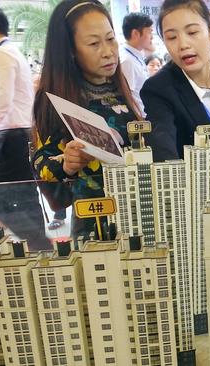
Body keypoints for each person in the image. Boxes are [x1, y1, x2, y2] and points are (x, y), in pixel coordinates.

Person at [32, 0, 138, 237]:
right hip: (94, 221)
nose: (108, 51)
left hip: (135, 213)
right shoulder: (56, 98)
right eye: (93, 43)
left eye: (111, 39)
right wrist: (67, 163)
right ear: (70, 50)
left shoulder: (120, 90)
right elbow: (41, 161)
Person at [0, 3, 50, 250]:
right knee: (26, 199)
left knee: (0, 204)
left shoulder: (0, 54)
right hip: (19, 133)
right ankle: (42, 251)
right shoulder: (10, 51)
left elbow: (1, 101)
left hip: (12, 136)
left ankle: (41, 246)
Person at [141, 0, 210, 162]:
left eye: (192, 32)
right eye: (171, 37)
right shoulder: (158, 89)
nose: (183, 45)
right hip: (195, 183)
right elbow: (162, 147)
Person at [121, 12, 154, 116]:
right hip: (140, 122)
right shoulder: (127, 61)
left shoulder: (134, 56)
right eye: (149, 32)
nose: (152, 37)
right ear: (135, 33)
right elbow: (127, 98)